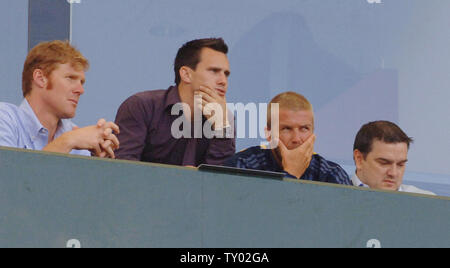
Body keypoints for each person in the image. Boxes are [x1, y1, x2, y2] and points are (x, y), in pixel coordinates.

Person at [114, 38, 235, 166]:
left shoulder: (225, 118)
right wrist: (179, 178)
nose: (223, 81)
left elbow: (222, 180)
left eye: (226, 74)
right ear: (186, 74)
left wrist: (222, 130)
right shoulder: (142, 106)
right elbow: (123, 169)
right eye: (214, 71)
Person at [0, 40, 120, 158]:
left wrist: (100, 163)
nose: (80, 90)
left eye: (82, 82)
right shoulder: (5, 119)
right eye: (70, 78)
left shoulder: (75, 136)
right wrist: (67, 141)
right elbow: (7, 174)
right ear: (40, 78)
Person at [224, 91, 351, 185]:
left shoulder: (331, 174)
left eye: (304, 128)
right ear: (268, 134)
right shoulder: (243, 166)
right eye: (286, 129)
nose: (296, 139)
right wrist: (291, 173)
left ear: (313, 133)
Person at [352, 120, 435, 195]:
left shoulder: (427, 202)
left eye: (400, 164)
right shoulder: (339, 197)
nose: (393, 173)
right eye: (384, 163)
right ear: (359, 159)